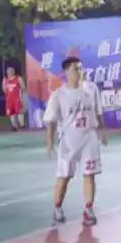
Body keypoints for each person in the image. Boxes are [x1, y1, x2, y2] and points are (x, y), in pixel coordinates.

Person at [44, 57, 107, 226]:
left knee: (89, 174)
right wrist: (49, 142)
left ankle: (88, 209)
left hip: (89, 137)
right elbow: (50, 121)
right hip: (69, 140)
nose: (79, 72)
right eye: (75, 69)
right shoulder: (58, 95)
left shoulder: (91, 89)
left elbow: (98, 112)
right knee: (64, 176)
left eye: (80, 68)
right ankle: (57, 207)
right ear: (66, 72)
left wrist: (102, 132)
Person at [3, 66, 26, 131]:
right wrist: (4, 85)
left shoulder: (18, 78)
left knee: (19, 112)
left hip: (17, 98)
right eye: (8, 71)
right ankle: (14, 126)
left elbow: (23, 87)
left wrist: (21, 93)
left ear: (13, 72)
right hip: (9, 99)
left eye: (10, 71)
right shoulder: (5, 80)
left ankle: (22, 124)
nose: (9, 72)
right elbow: (4, 90)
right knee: (12, 113)